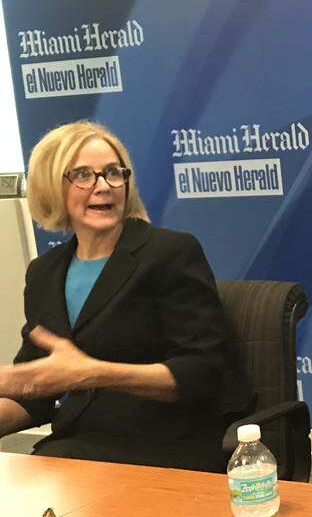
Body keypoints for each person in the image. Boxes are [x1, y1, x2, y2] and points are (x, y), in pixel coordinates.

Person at [0, 121, 251, 472]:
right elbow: (38, 390)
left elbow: (204, 372)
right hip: (82, 441)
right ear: (51, 185)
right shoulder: (44, 272)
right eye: (84, 175)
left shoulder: (169, 252)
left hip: (170, 444)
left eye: (113, 173)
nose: (103, 187)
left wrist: (92, 373)